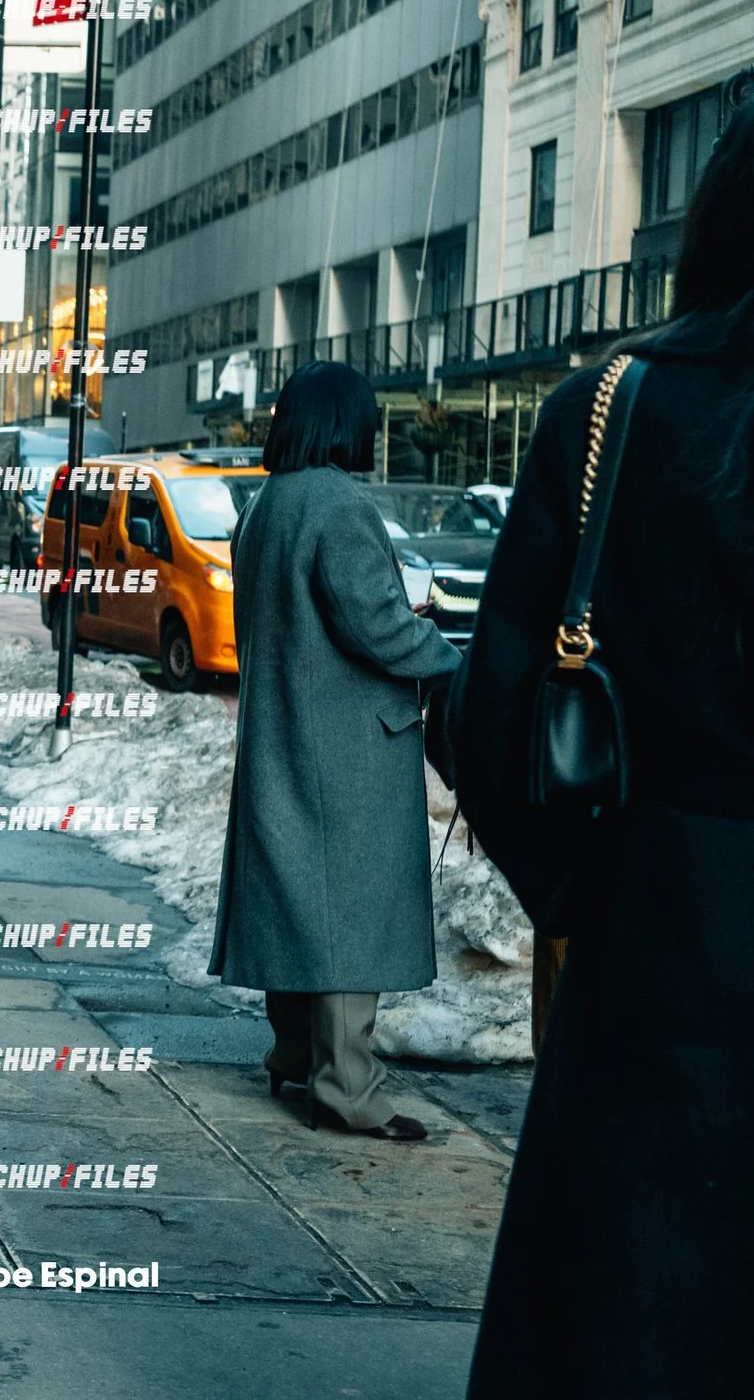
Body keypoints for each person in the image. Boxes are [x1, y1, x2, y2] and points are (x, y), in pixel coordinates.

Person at [455, 111, 754, 1398]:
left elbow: (491, 716)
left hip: (661, 942)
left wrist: (590, 890)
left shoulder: (613, 409)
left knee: (629, 1314)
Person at [207, 360, 458, 1141]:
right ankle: (348, 1087)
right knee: (349, 912)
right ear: (346, 422)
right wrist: (451, 653)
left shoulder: (265, 504)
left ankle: (293, 1053)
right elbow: (374, 626)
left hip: (282, 730)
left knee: (294, 899)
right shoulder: (340, 502)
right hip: (347, 749)